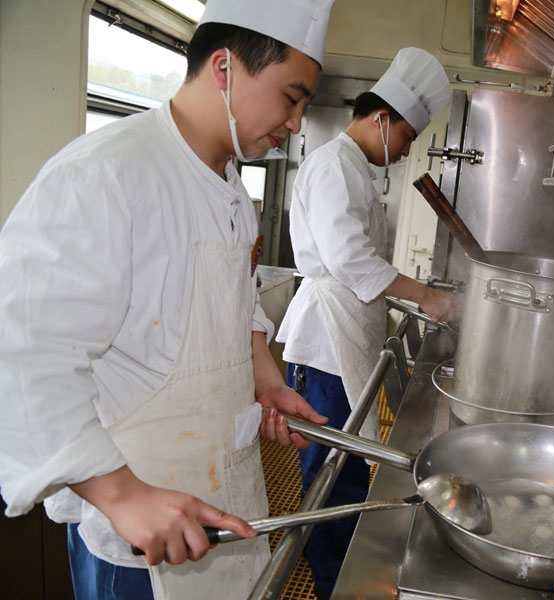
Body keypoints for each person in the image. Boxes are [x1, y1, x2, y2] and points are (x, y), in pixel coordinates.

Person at [0, 1, 335, 598]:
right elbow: (23, 351)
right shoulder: (106, 175)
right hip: (142, 534)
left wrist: (264, 379)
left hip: (225, 499)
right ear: (225, 66)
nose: (297, 121)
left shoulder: (230, 183)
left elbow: (233, 303)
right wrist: (122, 497)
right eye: (291, 96)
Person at [275, 46, 456, 597]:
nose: (404, 153)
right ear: (382, 118)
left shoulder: (353, 167)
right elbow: (352, 261)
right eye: (404, 138)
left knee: (345, 472)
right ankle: (334, 585)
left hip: (342, 336)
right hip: (325, 341)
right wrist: (426, 296)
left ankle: (338, 575)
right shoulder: (333, 165)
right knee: (332, 478)